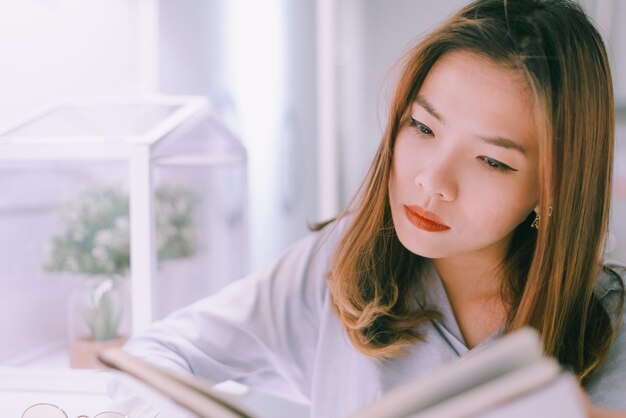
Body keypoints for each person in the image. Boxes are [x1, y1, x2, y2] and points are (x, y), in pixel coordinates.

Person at [113, 0, 626, 417]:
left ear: (552, 188)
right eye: (422, 128)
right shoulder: (335, 265)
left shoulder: (612, 323)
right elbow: (156, 355)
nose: (431, 181)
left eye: (491, 161)